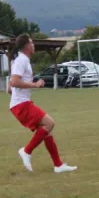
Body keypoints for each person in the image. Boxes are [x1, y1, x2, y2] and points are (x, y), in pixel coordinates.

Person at [8, 34, 77, 174]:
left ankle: (58, 165)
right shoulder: (22, 60)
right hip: (21, 105)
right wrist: (34, 85)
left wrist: (16, 90)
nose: (34, 45)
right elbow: (14, 82)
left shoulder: (21, 60)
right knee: (50, 123)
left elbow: (10, 86)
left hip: (20, 103)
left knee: (47, 131)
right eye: (32, 43)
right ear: (27, 46)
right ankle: (26, 151)